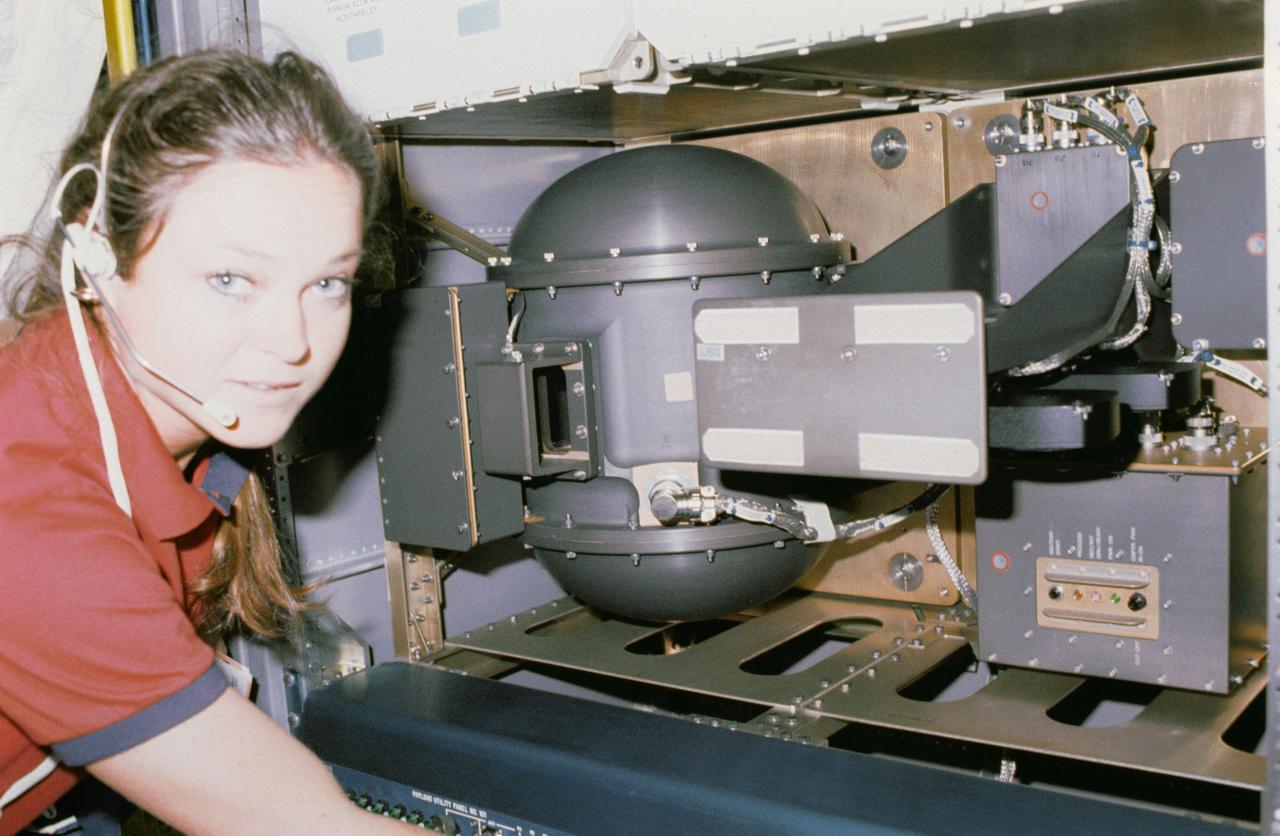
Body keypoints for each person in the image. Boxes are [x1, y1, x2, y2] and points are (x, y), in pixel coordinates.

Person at [0, 49, 420, 834]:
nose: (292, 343)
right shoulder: (28, 502)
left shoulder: (171, 425)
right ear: (95, 257)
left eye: (327, 283)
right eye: (231, 280)